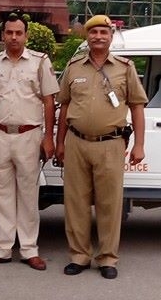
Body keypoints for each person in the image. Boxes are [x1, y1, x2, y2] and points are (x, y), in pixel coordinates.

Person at [55, 14, 147, 279]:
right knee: (76, 203)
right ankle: (79, 256)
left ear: (111, 37)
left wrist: (139, 145)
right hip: (76, 142)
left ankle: (107, 258)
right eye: (93, 32)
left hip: (111, 144)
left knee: (109, 204)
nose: (98, 37)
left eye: (103, 33)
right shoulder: (74, 67)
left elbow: (137, 107)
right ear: (87, 36)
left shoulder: (124, 67)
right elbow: (65, 107)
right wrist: (60, 143)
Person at [0, 13, 59, 271]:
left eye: (18, 33)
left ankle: (28, 249)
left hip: (29, 135)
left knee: (27, 195)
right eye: (9, 33)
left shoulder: (39, 62)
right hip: (0, 134)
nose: (13, 37)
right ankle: (1, 248)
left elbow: (49, 100)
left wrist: (48, 137)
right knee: (0, 195)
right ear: (2, 36)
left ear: (26, 36)